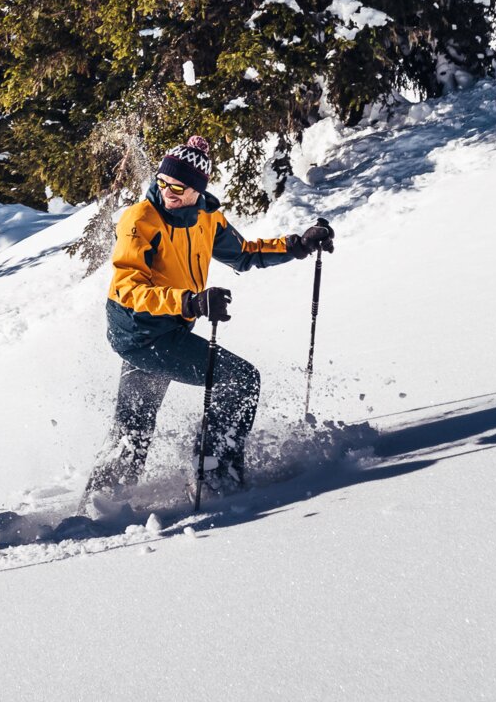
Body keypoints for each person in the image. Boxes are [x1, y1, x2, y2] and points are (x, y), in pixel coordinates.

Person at [91, 135, 334, 497]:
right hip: (141, 332)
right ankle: (214, 472)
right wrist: (190, 302)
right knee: (240, 381)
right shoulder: (141, 219)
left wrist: (297, 245)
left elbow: (244, 254)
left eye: (178, 187)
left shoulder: (207, 218)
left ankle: (101, 501)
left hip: (168, 326)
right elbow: (128, 288)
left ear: (197, 190)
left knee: (132, 430)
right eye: (162, 183)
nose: (167, 192)